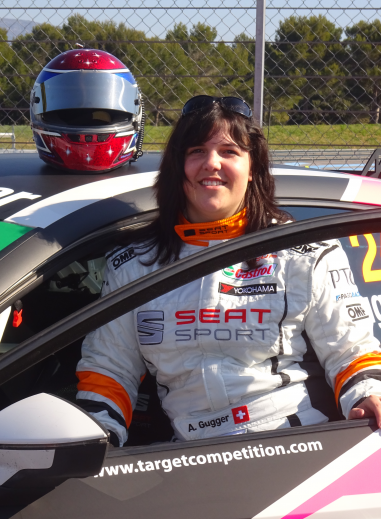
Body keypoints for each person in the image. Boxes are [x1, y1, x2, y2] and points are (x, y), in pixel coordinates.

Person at [75, 95, 381, 446]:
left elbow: (351, 350)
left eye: (229, 151)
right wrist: (92, 440)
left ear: (252, 168)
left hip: (292, 442)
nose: (211, 163)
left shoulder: (304, 252)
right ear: (178, 166)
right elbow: (110, 369)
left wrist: (369, 394)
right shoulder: (133, 264)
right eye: (197, 151)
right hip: (185, 454)